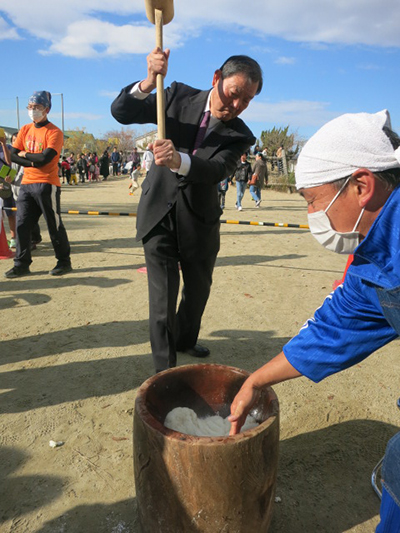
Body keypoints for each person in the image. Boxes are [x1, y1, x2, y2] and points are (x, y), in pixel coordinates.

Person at [228, 110, 400, 532]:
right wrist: (257, 380)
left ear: (362, 186)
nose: (312, 215)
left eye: (312, 201)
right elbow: (334, 328)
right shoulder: (374, 256)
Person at [111, 46, 262, 372]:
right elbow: (122, 113)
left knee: (197, 293)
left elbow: (217, 171)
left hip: (200, 222)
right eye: (234, 94)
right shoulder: (177, 95)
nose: (237, 106)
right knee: (163, 302)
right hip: (158, 214)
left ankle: (186, 339)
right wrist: (148, 81)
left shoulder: (240, 135)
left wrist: (178, 160)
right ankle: (165, 374)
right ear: (217, 78)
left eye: (246, 101)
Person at [5, 90, 72, 278]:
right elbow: (13, 155)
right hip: (26, 183)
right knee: (22, 225)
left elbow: (45, 158)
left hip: (46, 184)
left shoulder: (55, 132)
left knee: (54, 225)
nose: (33, 110)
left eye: (38, 107)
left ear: (47, 109)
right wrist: (31, 160)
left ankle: (64, 262)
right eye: (31, 107)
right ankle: (22, 264)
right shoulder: (25, 129)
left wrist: (26, 156)